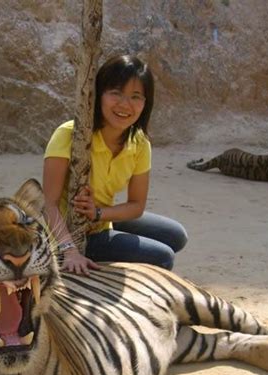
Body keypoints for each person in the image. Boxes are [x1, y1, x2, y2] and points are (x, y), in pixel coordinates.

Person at [43, 54, 188, 274]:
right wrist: (70, 250)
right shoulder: (70, 135)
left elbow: (136, 206)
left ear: (146, 103)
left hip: (100, 218)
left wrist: (99, 213)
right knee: (162, 256)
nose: (124, 104)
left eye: (136, 96)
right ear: (99, 94)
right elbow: (48, 204)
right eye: (116, 93)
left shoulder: (139, 143)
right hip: (69, 231)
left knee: (177, 235)